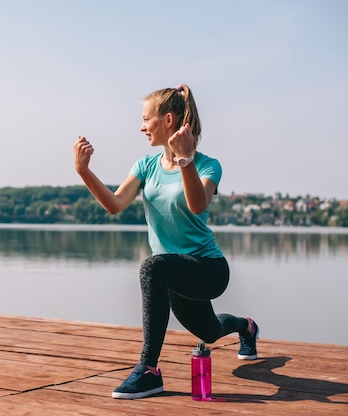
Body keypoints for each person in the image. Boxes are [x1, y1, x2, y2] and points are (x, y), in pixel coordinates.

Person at [73, 84, 259, 400]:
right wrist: (83, 171)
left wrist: (185, 161)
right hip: (172, 273)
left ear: (168, 119)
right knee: (210, 332)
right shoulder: (146, 166)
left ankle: (148, 370)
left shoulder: (207, 165)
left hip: (208, 269)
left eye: (147, 118)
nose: (142, 126)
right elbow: (115, 204)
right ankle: (247, 327)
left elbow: (198, 204)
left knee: (151, 267)